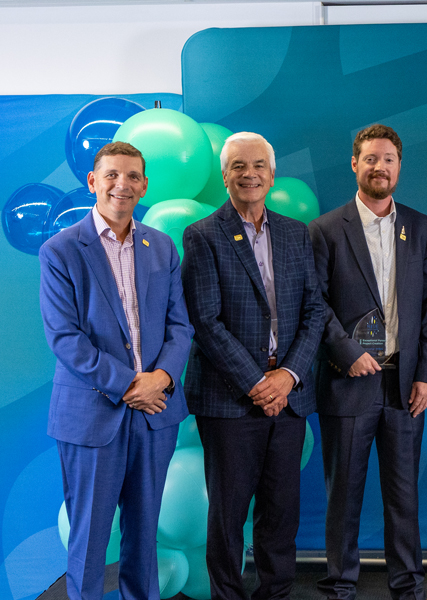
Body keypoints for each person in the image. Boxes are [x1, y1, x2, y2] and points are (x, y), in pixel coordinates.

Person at [40, 141, 193, 600]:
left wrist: (160, 379)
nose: (121, 184)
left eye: (132, 176)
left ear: (144, 185)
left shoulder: (161, 246)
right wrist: (131, 385)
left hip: (156, 414)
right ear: (92, 181)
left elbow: (180, 327)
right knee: (89, 538)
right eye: (111, 174)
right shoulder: (61, 250)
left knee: (146, 535)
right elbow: (65, 339)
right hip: (92, 416)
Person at [182, 132, 324, 600]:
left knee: (281, 513)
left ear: (272, 173)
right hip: (228, 401)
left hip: (289, 396)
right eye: (239, 166)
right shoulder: (202, 235)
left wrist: (286, 376)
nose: (250, 174)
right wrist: (255, 383)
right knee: (227, 516)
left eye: (259, 165)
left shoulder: (294, 233)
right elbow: (205, 320)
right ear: (225, 175)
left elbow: (314, 312)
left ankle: (275, 595)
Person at [309, 124, 427, 600]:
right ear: (354, 164)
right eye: (370, 159)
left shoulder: (420, 227)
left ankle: (408, 588)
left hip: (404, 384)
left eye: (388, 159)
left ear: (398, 166)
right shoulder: (325, 230)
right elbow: (314, 304)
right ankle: (340, 587)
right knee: (343, 497)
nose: (379, 167)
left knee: (404, 498)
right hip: (349, 382)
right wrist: (347, 352)